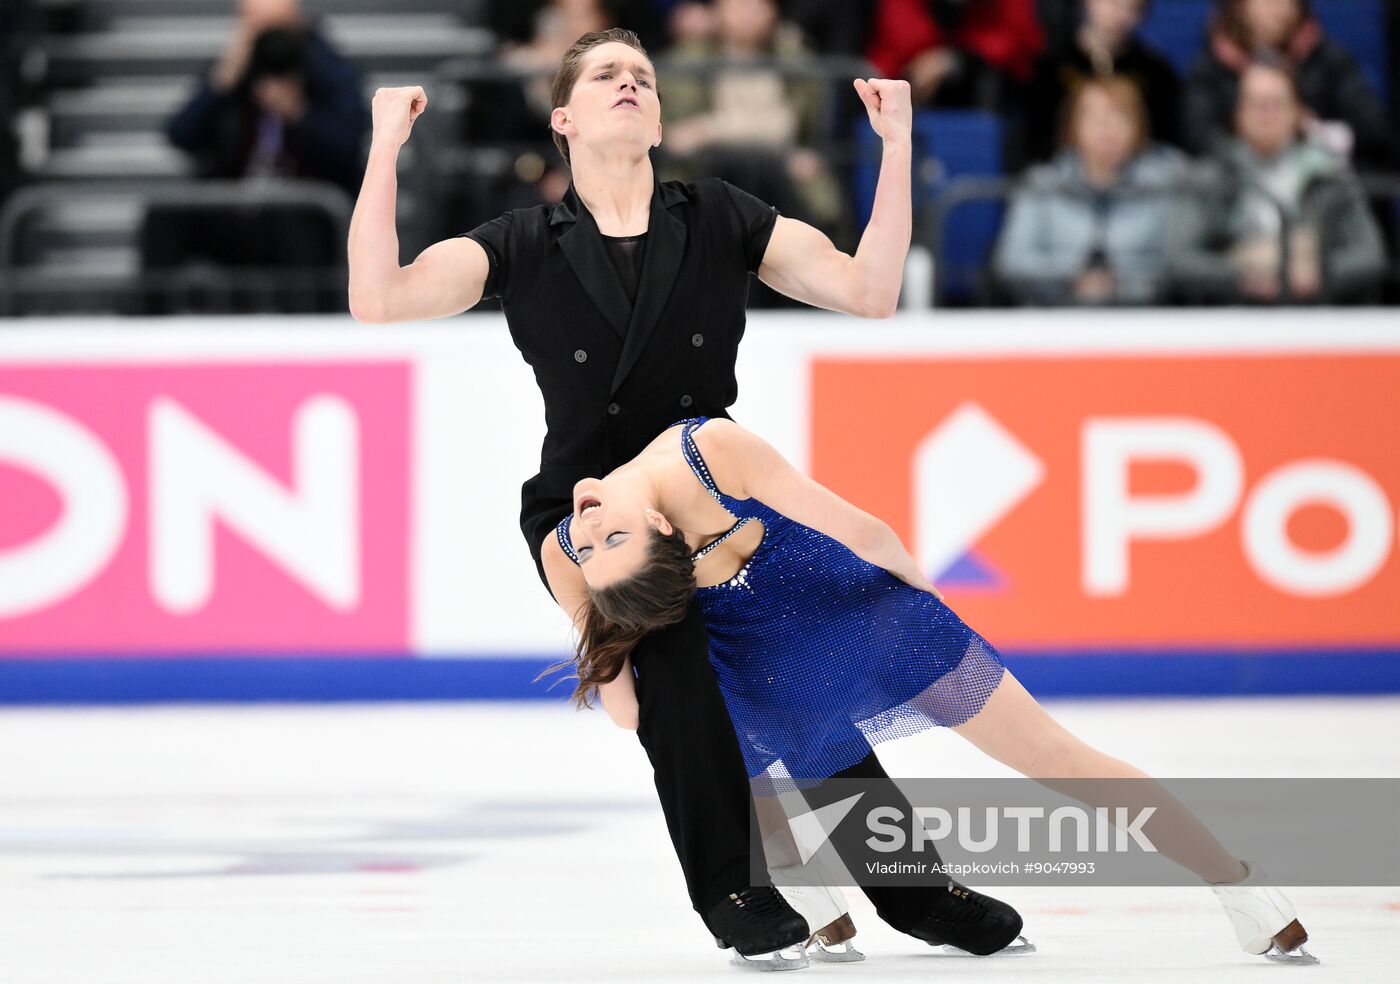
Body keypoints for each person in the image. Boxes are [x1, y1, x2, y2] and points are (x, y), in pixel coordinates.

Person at [348, 26, 1027, 969]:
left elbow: (870, 291)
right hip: (594, 511)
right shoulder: (522, 243)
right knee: (674, 679)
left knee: (799, 675)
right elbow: (379, 299)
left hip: (708, 496)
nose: (629, 83)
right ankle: (734, 890)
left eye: (642, 75)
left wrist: (898, 146)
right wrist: (385, 145)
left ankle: (915, 894)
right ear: (562, 119)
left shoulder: (718, 217)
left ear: (661, 119)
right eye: (605, 75)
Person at [540, 414, 1320, 967]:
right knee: (737, 744)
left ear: (663, 528)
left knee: (1050, 755)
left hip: (858, 618)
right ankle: (1243, 890)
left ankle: (1235, 880)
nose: (588, 530)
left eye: (604, 539)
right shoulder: (584, 538)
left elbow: (859, 531)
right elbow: (634, 714)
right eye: (601, 549)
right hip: (797, 638)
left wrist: (928, 608)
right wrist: (618, 667)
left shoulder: (704, 453)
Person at [1171, 62, 1386, 305]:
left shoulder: (1328, 173)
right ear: (1237, 112)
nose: (1265, 113)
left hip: (1317, 312)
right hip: (1232, 314)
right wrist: (1241, 275)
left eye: (1276, 103)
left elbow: (1370, 254)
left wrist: (1319, 274)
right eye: (1255, 103)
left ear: (1299, 111)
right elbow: (1179, 258)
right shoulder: (1211, 175)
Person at [994, 76, 1186, 306]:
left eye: (1119, 116)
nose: (1106, 129)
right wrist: (1072, 275)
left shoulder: (1163, 186)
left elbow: (1175, 263)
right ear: (1072, 126)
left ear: (1138, 127)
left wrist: (1119, 282)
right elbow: (1011, 262)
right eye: (1094, 117)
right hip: (1052, 315)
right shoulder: (1040, 184)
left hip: (1139, 317)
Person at [1183, 0, 1398, 170]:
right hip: (1234, 188)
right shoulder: (1209, 68)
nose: (1280, 6)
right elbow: (1195, 138)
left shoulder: (1330, 60)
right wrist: (1250, 142)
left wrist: (1314, 134)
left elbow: (1376, 132)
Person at [1023, 0, 1182, 163]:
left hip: (1139, 171)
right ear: (1088, 3)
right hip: (1063, 170)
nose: (1120, 15)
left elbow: (1167, 140)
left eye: (1132, 8)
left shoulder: (1156, 72)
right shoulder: (1052, 68)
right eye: (1112, 3)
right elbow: (1034, 140)